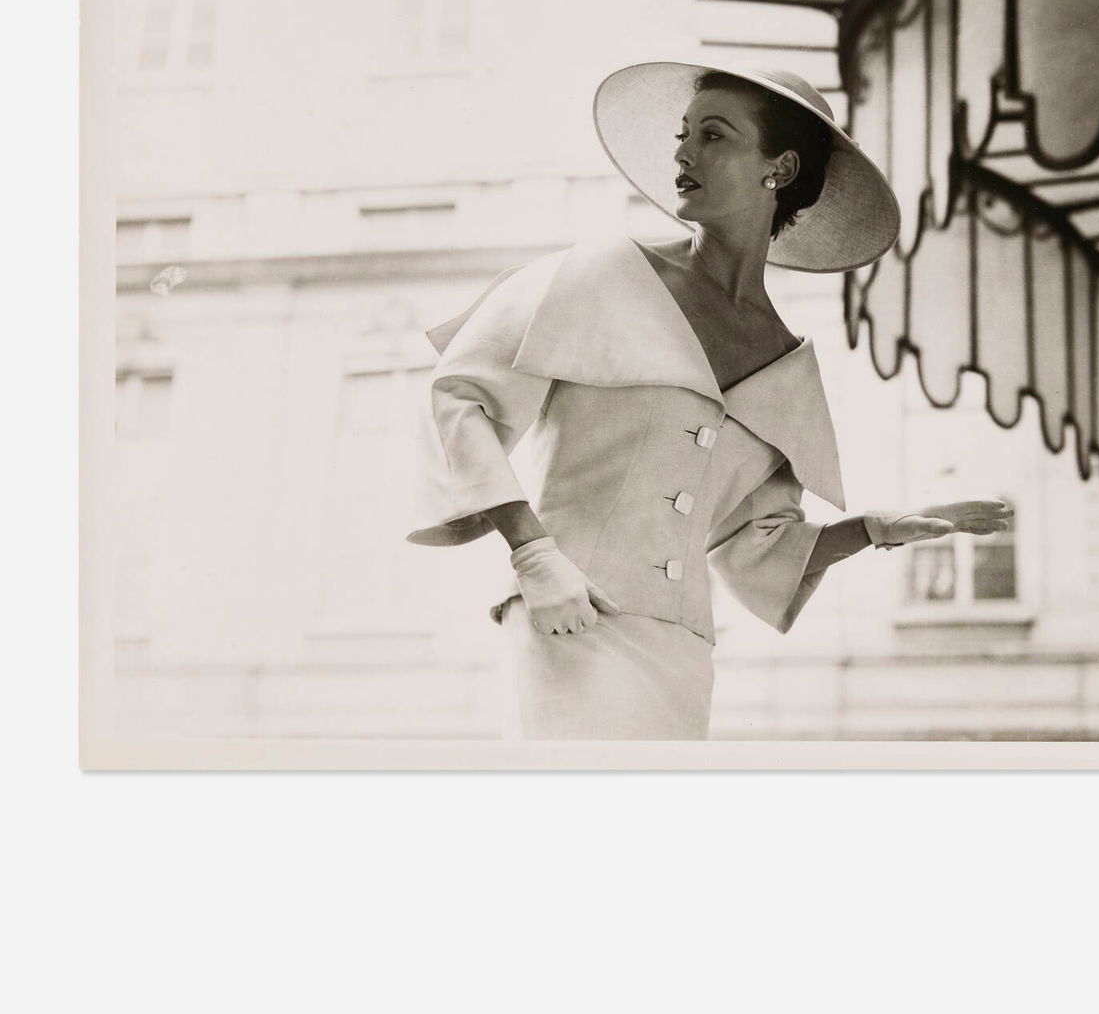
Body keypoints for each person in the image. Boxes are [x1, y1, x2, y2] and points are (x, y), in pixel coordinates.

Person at [408, 62, 1012, 740]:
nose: (683, 152)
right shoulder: (603, 272)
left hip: (681, 653)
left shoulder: (787, 359)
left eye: (714, 135)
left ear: (778, 169)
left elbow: (758, 545)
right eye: (684, 133)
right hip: (567, 618)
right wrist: (533, 556)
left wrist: (874, 529)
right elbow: (460, 397)